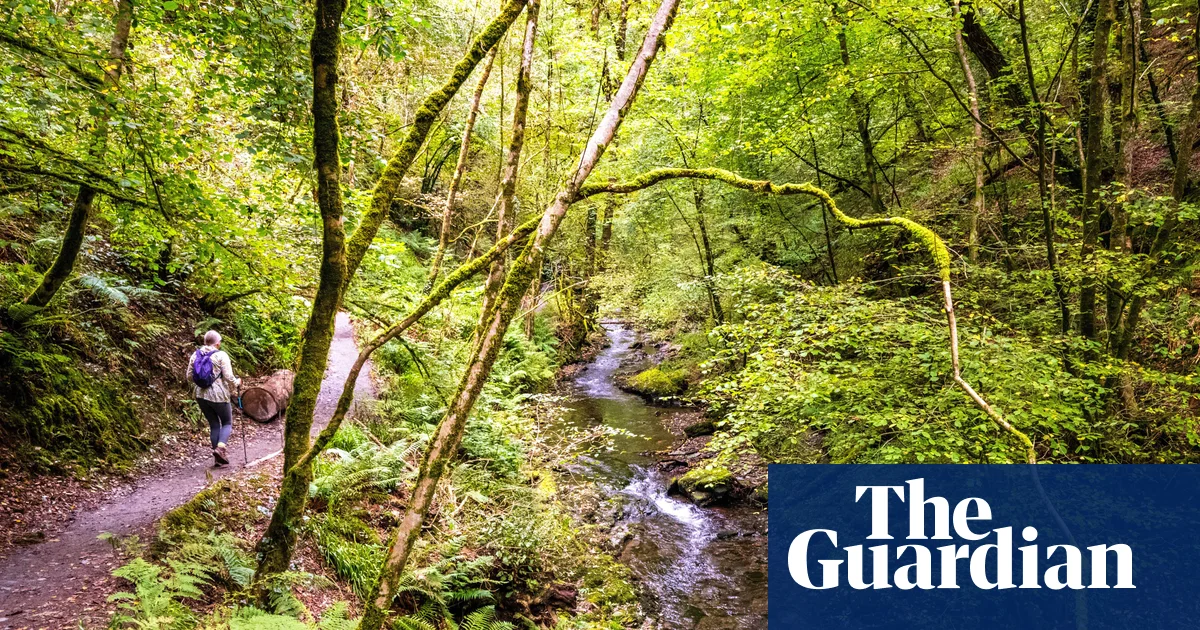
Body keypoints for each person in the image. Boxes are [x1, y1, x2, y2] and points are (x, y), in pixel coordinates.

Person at [187, 330, 242, 466]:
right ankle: (220, 448)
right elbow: (229, 376)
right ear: (217, 343)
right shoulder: (221, 355)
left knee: (214, 424)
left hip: (200, 395)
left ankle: (218, 459)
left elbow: (189, 376)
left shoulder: (195, 354)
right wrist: (237, 383)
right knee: (227, 422)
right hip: (218, 394)